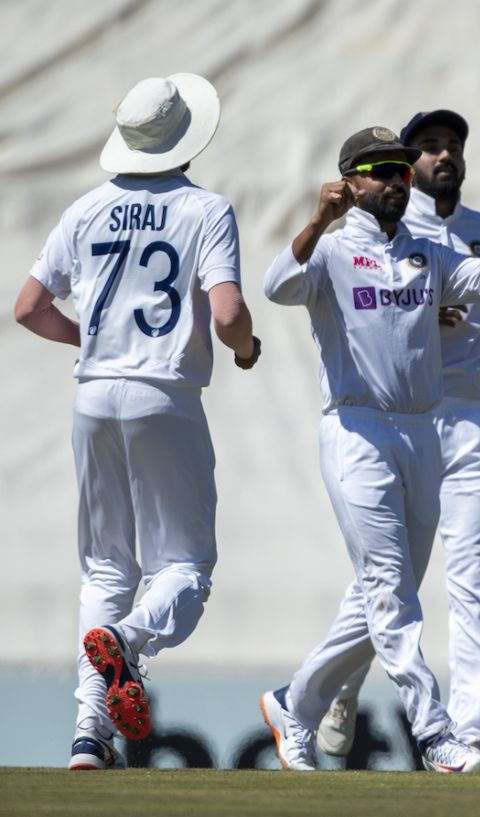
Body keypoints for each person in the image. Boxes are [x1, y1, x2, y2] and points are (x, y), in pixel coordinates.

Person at [258, 126, 480, 774]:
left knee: (384, 589)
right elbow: (275, 284)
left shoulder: (425, 249)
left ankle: (294, 701)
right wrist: (319, 219)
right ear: (350, 181)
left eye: (402, 171)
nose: (395, 181)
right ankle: (435, 733)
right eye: (380, 171)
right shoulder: (331, 249)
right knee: (391, 591)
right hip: (357, 430)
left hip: (422, 430)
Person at [12, 73, 260, 771]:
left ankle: (89, 731)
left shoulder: (86, 208)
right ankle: (128, 639)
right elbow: (230, 313)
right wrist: (246, 350)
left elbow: (28, 307)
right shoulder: (204, 208)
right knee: (184, 564)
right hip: (163, 393)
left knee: (105, 565)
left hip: (93, 395)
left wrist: (93, 341)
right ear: (187, 139)